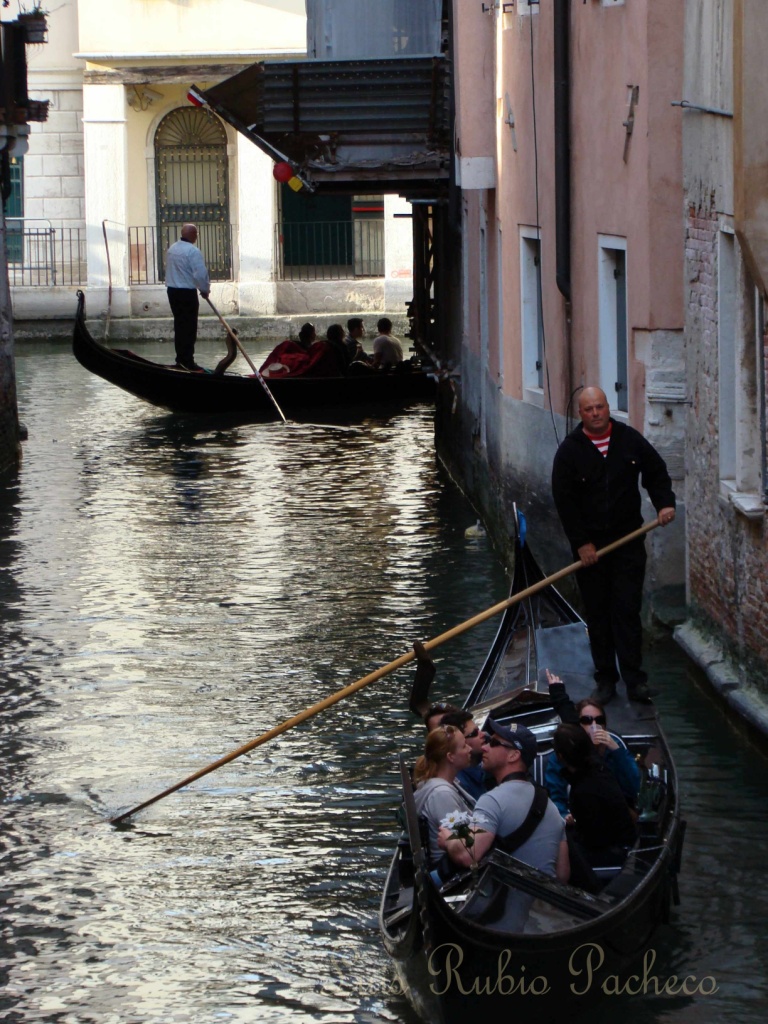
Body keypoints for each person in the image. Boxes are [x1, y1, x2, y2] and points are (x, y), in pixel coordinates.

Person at [551, 386, 676, 704]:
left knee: (627, 611)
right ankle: (606, 679)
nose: (596, 413)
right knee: (598, 614)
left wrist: (664, 503)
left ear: (608, 408)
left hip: (628, 543)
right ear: (581, 414)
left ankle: (635, 682)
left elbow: (656, 471)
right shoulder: (570, 451)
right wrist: (581, 544)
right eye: (589, 409)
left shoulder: (629, 439)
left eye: (600, 407)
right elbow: (565, 502)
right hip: (591, 549)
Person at [439, 719, 569, 883]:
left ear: (514, 755)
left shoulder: (492, 800)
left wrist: (449, 840)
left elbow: (468, 856)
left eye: (494, 743)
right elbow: (563, 874)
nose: (485, 747)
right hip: (545, 903)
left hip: (508, 905)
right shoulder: (552, 808)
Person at [544, 670, 640, 819]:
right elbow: (556, 794)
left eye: (599, 720)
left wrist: (615, 749)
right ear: (579, 725)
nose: (594, 725)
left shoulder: (615, 751)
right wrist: (564, 814)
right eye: (587, 721)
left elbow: (633, 787)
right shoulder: (562, 754)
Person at [552, 723, 638, 889]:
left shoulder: (583, 791)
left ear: (560, 756)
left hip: (613, 852)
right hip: (618, 839)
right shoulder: (598, 768)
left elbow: (595, 839)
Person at [412, 725, 474, 867]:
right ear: (450, 757)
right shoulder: (442, 795)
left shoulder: (450, 784)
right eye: (464, 746)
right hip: (455, 873)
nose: (469, 749)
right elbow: (462, 848)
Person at [165, 223, 210, 371]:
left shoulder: (172, 249)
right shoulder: (193, 251)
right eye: (196, 234)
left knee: (180, 326)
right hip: (186, 294)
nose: (197, 236)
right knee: (189, 328)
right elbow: (200, 274)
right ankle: (188, 361)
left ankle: (181, 359)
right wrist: (205, 290)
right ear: (192, 235)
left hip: (172, 292)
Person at [440, 709, 491, 801]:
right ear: (460, 741)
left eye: (479, 730)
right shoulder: (460, 784)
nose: (482, 734)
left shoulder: (480, 767)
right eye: (475, 733)